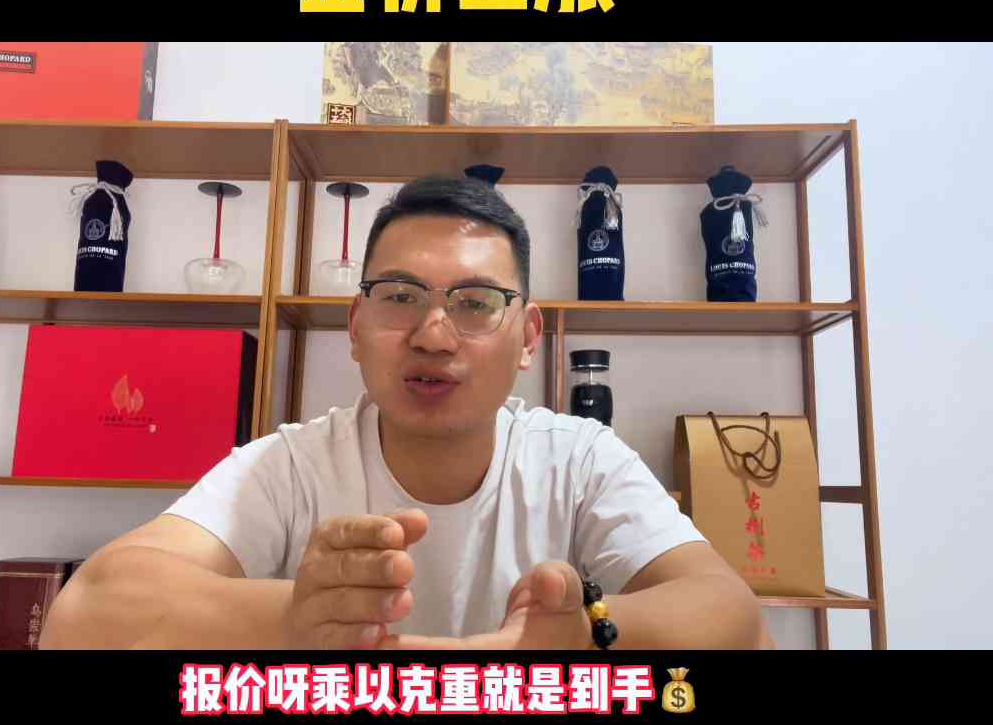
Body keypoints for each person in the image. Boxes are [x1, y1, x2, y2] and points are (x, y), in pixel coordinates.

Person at [42, 175, 768, 651]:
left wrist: (588, 629)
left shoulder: (579, 459)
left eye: (475, 303)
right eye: (399, 297)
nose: (434, 335)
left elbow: (732, 613)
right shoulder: (290, 465)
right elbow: (85, 615)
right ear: (355, 326)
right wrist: (294, 615)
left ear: (528, 338)